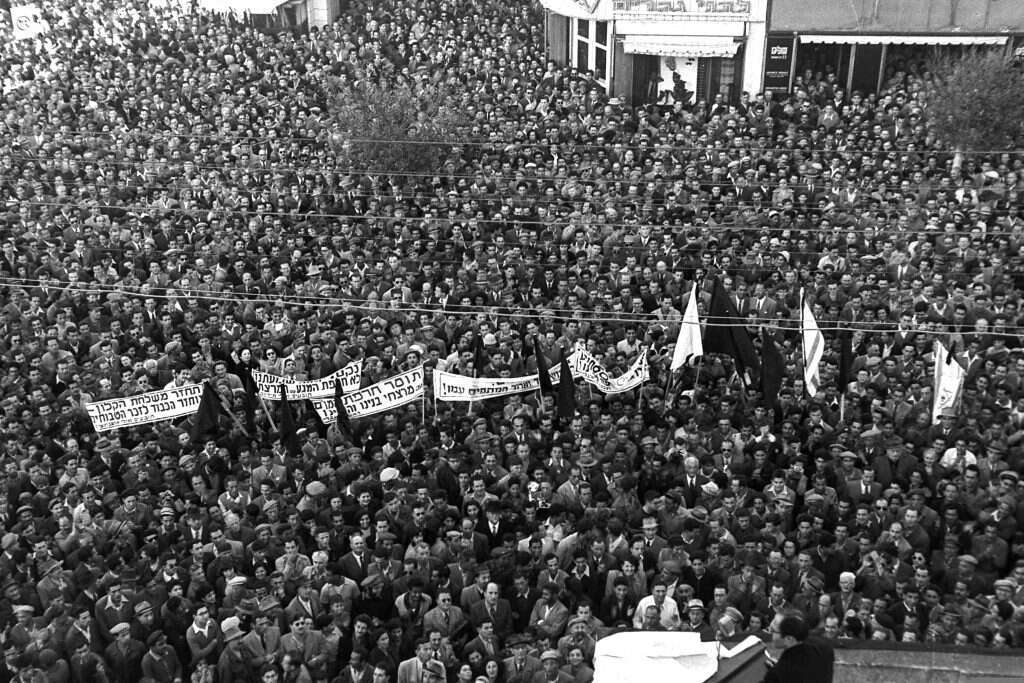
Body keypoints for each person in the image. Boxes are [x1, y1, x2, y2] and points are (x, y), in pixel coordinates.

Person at [763, 615, 834, 683]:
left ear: (789, 639)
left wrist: (775, 669)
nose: (771, 632)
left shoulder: (780, 671)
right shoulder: (824, 649)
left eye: (774, 631)